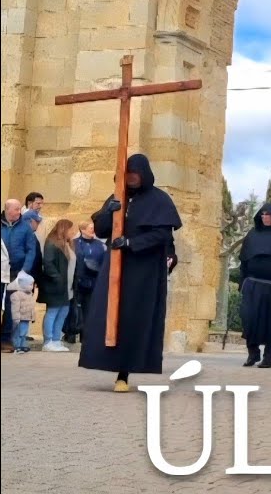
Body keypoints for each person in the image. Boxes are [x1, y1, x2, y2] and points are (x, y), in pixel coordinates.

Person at [80, 154, 181, 392]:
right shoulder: (116, 195)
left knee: (133, 318)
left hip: (142, 271)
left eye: (135, 175)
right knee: (107, 316)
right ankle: (105, 361)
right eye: (128, 175)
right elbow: (103, 229)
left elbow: (162, 235)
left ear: (144, 175)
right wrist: (110, 212)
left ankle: (124, 372)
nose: (132, 179)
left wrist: (130, 243)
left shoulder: (159, 200)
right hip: (114, 267)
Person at [237, 203, 271, 368]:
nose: (265, 217)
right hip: (251, 285)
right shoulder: (252, 234)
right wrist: (242, 282)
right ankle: (252, 354)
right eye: (262, 214)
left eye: (268, 214)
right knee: (249, 319)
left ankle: (269, 356)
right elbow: (244, 261)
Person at [1, 198, 40, 353]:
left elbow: (31, 250)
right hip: (1, 269)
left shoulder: (25, 227)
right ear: (7, 209)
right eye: (17, 209)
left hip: (17, 273)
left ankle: (5, 340)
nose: (20, 212)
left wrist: (25, 269)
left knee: (12, 307)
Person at [62, 221, 107, 345]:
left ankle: (85, 335)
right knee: (73, 308)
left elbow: (105, 262)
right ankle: (70, 333)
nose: (93, 231)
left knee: (89, 309)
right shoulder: (74, 244)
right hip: (77, 281)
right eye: (90, 228)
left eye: (93, 228)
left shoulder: (100, 245)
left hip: (93, 282)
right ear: (82, 230)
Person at [37, 218, 76, 352]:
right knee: (53, 311)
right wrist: (57, 278)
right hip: (56, 285)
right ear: (64, 229)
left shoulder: (68, 244)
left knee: (63, 311)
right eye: (71, 229)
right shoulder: (52, 244)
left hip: (68, 286)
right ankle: (48, 341)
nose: (73, 231)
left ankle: (56, 340)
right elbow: (48, 263)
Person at [6, 271, 35, 354]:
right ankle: (16, 346)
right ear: (23, 284)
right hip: (20, 319)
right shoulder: (16, 295)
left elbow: (31, 306)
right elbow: (15, 308)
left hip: (27, 318)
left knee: (24, 333)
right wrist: (16, 318)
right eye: (30, 284)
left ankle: (23, 345)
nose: (32, 286)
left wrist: (33, 317)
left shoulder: (30, 294)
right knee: (18, 333)